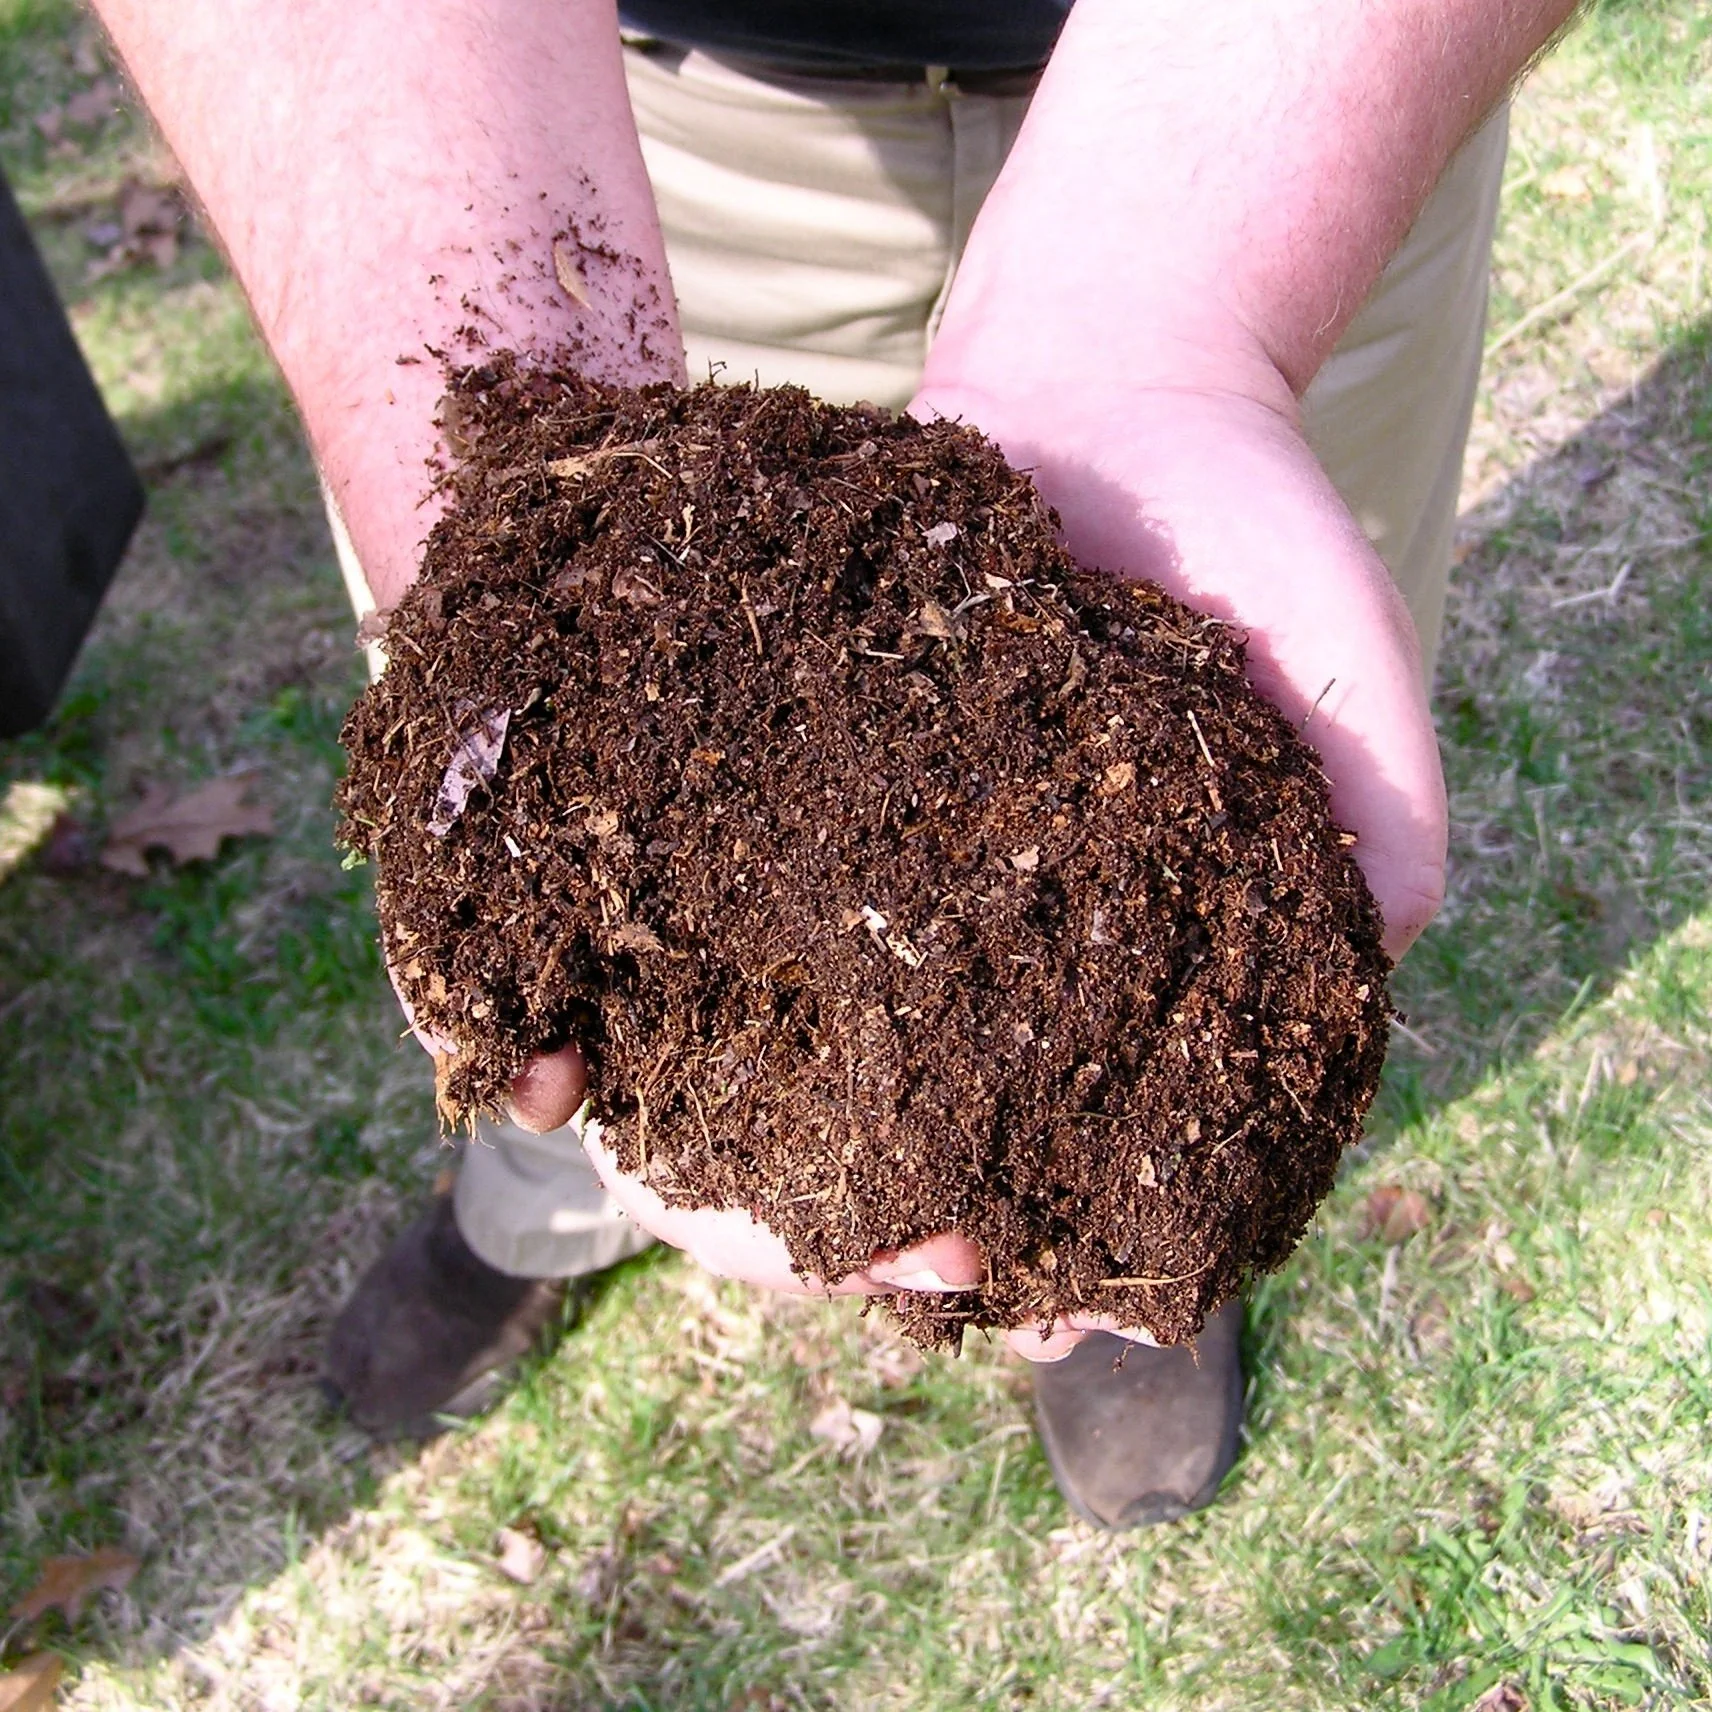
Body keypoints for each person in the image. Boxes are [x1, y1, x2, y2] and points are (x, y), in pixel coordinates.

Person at [94, 0, 1578, 1530]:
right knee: (529, 836)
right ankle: (542, 1200)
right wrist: (525, 496)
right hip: (572, 122)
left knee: (1252, 732)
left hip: (1295, 105)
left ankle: (1109, 1250)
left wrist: (1183, 331)